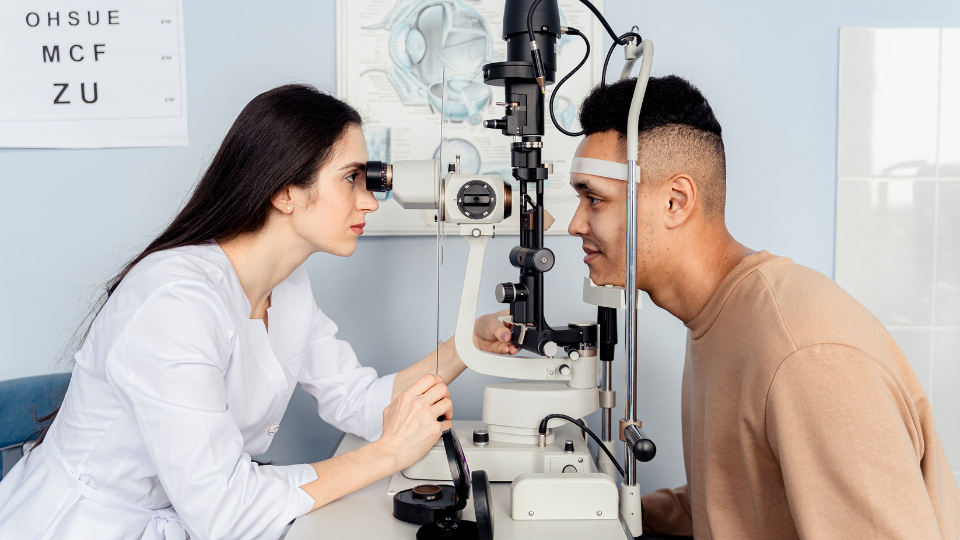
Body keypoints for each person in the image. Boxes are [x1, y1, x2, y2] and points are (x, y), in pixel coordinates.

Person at [0, 84, 516, 540]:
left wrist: (466, 345)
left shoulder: (287, 287)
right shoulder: (173, 302)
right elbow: (225, 511)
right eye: (352, 179)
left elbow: (361, 401)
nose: (369, 202)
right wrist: (386, 456)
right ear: (286, 191)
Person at [568, 75, 960, 539]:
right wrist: (599, 509)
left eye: (595, 199)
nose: (575, 225)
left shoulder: (805, 354)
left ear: (675, 201)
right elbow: (740, 498)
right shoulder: (721, 318)